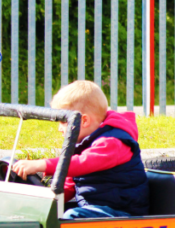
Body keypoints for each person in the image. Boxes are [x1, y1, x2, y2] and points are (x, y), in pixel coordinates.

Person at [12, 80, 149, 219]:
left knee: (73, 216)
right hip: (96, 209)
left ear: (84, 121)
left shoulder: (112, 143)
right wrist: (44, 202)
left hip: (122, 213)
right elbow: (70, 184)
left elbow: (82, 163)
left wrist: (42, 164)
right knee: (46, 215)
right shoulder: (83, 143)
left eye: (63, 122)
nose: (59, 129)